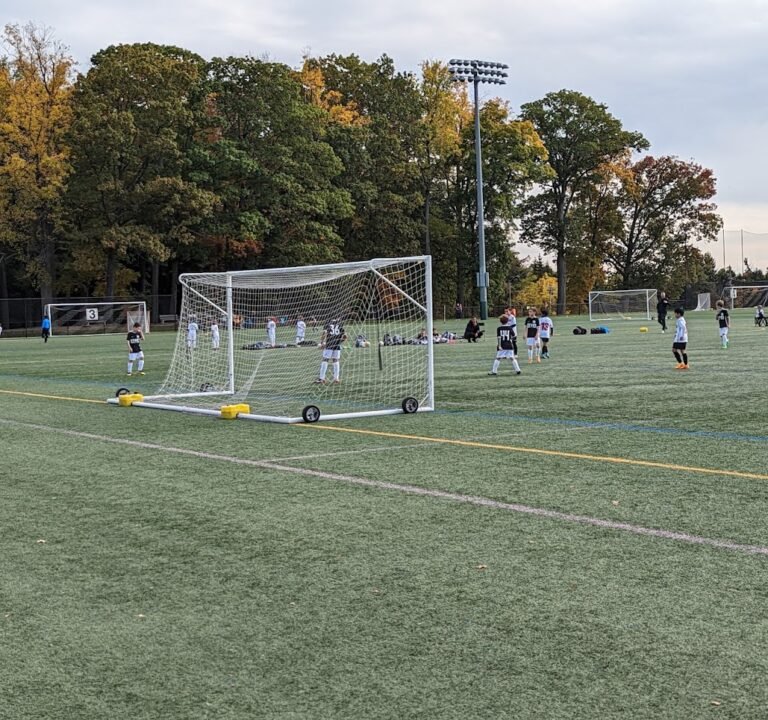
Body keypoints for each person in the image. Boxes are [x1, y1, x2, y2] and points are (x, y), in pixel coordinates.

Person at [316, 318, 346, 384]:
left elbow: (324, 333)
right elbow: (345, 336)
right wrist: (339, 342)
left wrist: (321, 343)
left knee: (325, 360)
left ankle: (321, 378)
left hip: (329, 345)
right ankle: (336, 379)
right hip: (337, 346)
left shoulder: (328, 323)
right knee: (336, 360)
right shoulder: (340, 325)